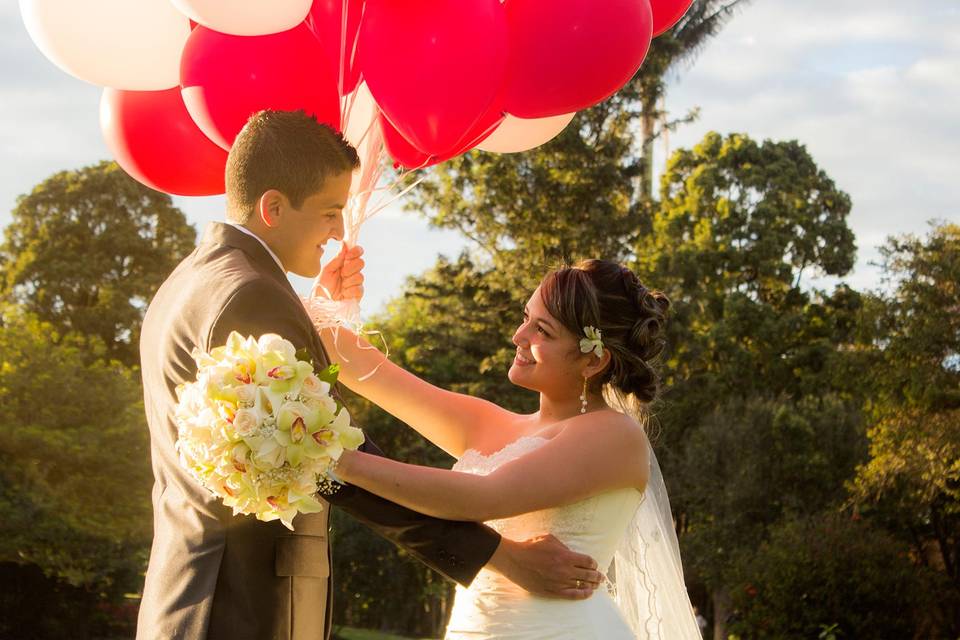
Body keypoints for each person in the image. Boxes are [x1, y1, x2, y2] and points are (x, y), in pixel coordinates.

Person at [136, 110, 600, 640]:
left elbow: (261, 418)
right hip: (241, 603)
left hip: (189, 591)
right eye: (331, 212)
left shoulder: (190, 281)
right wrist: (499, 557)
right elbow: (330, 460)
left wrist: (317, 315)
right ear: (273, 207)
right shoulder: (254, 296)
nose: (338, 232)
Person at [315, 257, 703, 639]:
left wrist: (340, 459)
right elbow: (367, 370)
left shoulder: (614, 436)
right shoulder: (492, 423)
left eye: (543, 331)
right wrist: (323, 301)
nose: (519, 336)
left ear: (593, 360)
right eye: (525, 317)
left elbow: (482, 498)